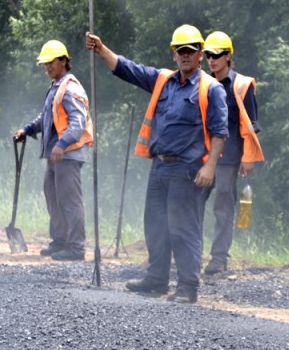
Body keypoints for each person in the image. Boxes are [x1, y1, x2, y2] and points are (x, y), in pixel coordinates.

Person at [86, 24, 228, 304]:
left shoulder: (211, 89)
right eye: (180, 50)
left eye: (190, 50)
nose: (185, 55)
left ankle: (188, 286)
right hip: (160, 166)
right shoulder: (163, 80)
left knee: (184, 229)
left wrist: (210, 166)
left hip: (187, 171)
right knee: (155, 224)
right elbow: (128, 69)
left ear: (201, 54)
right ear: (174, 55)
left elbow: (220, 131)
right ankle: (157, 278)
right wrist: (101, 50)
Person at [13, 40, 92, 261]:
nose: (47, 67)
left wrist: (61, 145)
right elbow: (46, 118)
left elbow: (78, 122)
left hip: (68, 154)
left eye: (51, 62)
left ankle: (75, 248)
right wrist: (27, 130)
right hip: (56, 155)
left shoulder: (71, 88)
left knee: (69, 200)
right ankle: (60, 241)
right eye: (45, 64)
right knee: (53, 197)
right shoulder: (56, 87)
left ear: (64, 61)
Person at [202, 31, 264, 275]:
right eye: (208, 55)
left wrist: (248, 158)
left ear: (228, 56)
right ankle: (189, 253)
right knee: (193, 203)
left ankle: (219, 258)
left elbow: (251, 126)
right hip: (204, 157)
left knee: (223, 208)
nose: (212, 59)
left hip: (229, 159)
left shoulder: (241, 85)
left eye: (217, 54)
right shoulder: (204, 83)